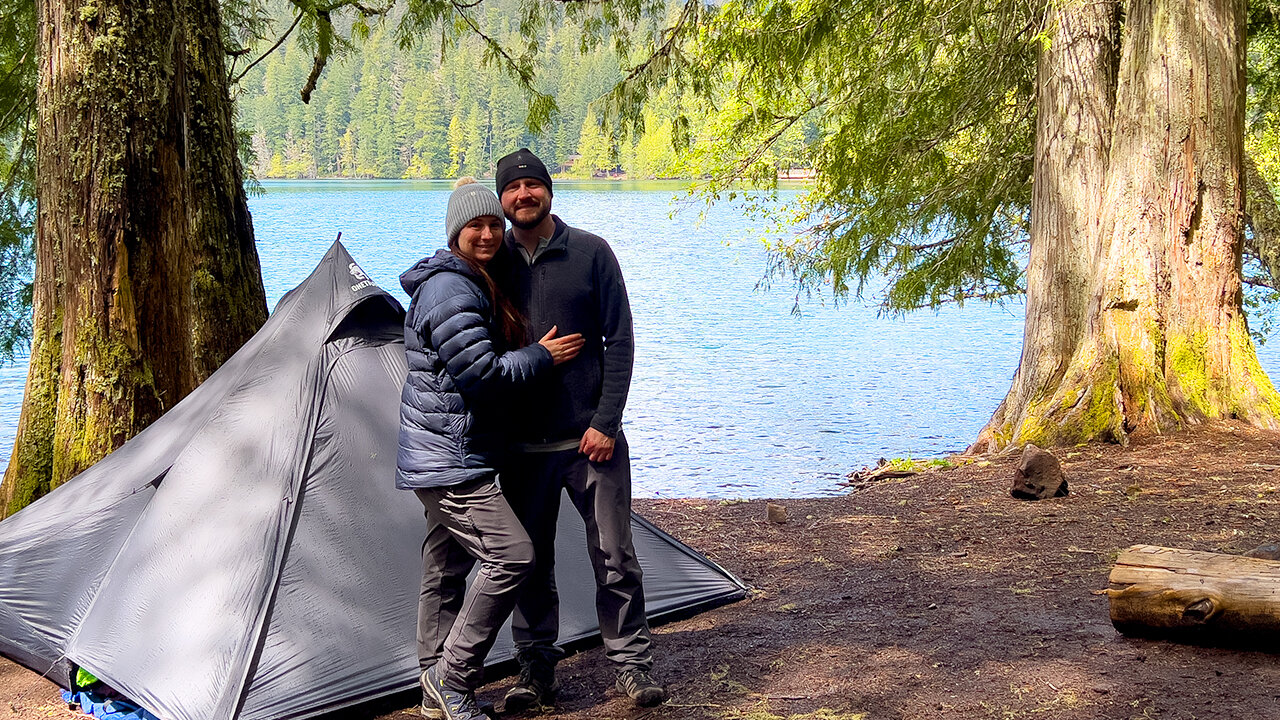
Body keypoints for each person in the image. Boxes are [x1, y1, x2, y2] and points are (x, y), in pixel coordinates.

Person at [397, 177, 584, 720]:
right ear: (455, 232)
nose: (486, 234)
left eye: (492, 225)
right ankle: (450, 680)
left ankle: (435, 683)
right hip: (451, 457)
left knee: (447, 564)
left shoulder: (466, 278)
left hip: (441, 451)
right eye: (474, 226)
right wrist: (541, 356)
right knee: (512, 556)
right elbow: (480, 375)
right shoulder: (452, 291)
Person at [493, 148, 668, 709]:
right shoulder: (490, 263)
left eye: (533, 186)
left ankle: (632, 665)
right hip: (522, 450)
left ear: (549, 191)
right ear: (501, 200)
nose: (524, 196)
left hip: (592, 443)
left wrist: (606, 423)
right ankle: (535, 671)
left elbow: (621, 341)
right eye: (513, 188)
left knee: (615, 557)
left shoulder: (591, 252)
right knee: (531, 564)